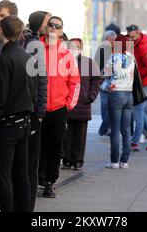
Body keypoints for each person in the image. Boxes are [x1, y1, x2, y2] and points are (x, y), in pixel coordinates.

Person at [0, 16, 34, 212]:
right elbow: (34, 89)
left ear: (1, 32)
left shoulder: (4, 59)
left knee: (3, 175)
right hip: (25, 122)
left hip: (7, 125)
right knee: (21, 174)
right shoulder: (27, 57)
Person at [39, 16, 80, 198]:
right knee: (36, 148)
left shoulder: (67, 54)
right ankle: (34, 180)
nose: (54, 28)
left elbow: (75, 82)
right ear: (45, 28)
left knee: (55, 148)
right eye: (51, 25)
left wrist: (68, 106)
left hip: (58, 109)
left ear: (62, 31)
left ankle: (50, 182)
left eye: (58, 26)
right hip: (37, 108)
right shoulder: (35, 49)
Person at [20, 11, 49, 211]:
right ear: (40, 24)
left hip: (26, 107)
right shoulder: (34, 43)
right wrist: (40, 110)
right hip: (31, 109)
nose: (50, 24)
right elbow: (40, 79)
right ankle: (27, 205)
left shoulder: (29, 40)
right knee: (30, 164)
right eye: (48, 21)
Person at [62, 38, 101, 170]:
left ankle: (78, 160)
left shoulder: (88, 63)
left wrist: (90, 97)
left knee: (80, 135)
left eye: (77, 47)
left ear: (81, 48)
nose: (74, 49)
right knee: (66, 135)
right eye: (72, 46)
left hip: (82, 105)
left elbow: (96, 80)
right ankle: (66, 159)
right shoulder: (64, 61)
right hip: (66, 105)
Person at [126, 24, 147, 152]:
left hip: (144, 84)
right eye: (129, 36)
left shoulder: (143, 46)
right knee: (138, 112)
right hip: (137, 84)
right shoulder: (132, 44)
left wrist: (136, 74)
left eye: (133, 37)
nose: (131, 39)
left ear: (138, 33)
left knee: (138, 112)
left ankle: (135, 142)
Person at [103, 35, 135, 169]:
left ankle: (114, 161)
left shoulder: (113, 58)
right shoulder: (132, 58)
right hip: (129, 94)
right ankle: (125, 161)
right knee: (126, 129)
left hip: (116, 94)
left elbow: (105, 74)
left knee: (115, 129)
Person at [94, 30, 117, 136]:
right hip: (104, 82)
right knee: (104, 106)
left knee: (113, 106)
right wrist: (101, 78)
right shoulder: (102, 49)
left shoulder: (118, 49)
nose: (115, 41)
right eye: (113, 39)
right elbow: (96, 66)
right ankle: (106, 128)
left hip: (115, 83)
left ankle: (106, 128)